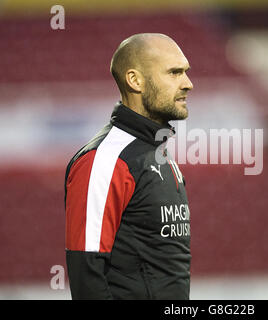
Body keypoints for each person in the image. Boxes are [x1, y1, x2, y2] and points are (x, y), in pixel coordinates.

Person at [64, 33, 194, 299]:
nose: (188, 84)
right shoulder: (103, 160)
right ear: (135, 80)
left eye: (186, 72)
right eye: (174, 72)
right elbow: (86, 278)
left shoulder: (159, 155)